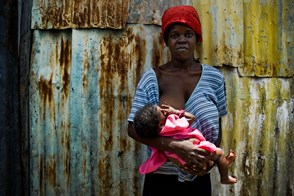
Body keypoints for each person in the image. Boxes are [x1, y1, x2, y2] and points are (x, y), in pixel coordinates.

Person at [127, 5, 231, 195]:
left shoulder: (214, 79)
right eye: (174, 35)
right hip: (161, 180)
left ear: (196, 38)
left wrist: (208, 161)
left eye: (188, 34)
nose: (181, 39)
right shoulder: (153, 79)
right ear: (166, 40)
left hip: (199, 178)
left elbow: (217, 127)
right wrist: (175, 146)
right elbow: (133, 128)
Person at [133, 103, 237, 184]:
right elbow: (191, 118)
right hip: (196, 148)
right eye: (162, 111)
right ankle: (225, 177)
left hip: (184, 162)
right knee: (219, 153)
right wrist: (176, 112)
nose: (165, 111)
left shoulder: (159, 137)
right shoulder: (171, 125)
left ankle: (223, 164)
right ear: (160, 125)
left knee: (208, 163)